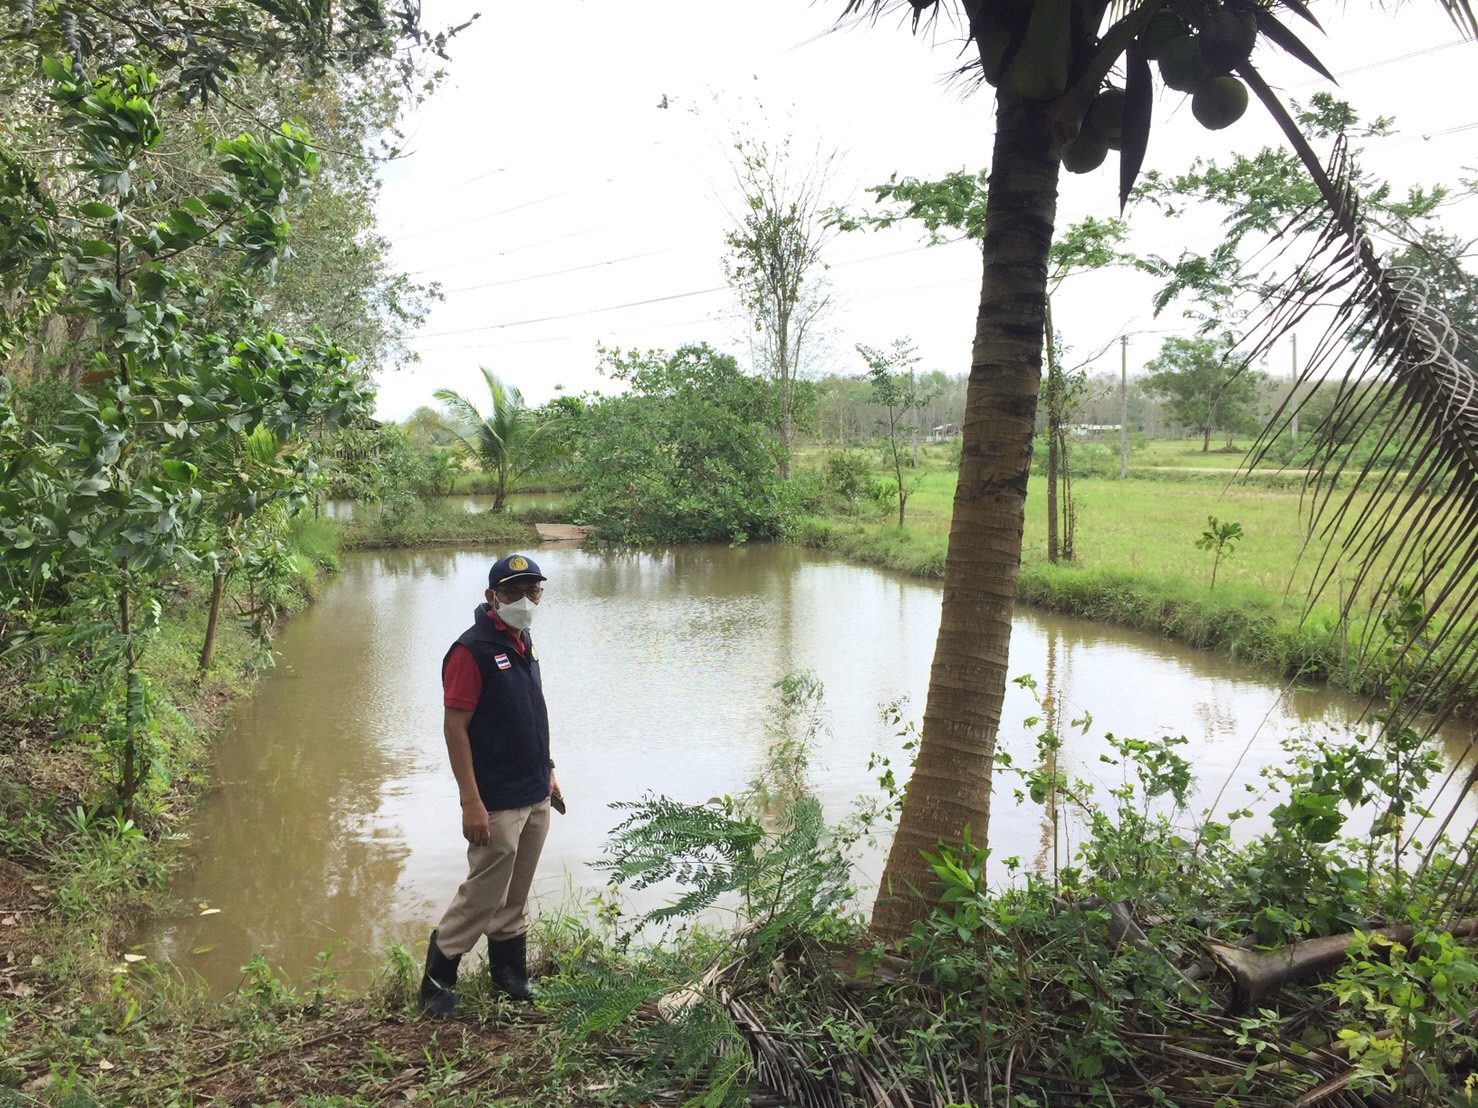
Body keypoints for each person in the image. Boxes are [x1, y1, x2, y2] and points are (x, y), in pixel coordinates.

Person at [419, 552, 562, 1016]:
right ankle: (436, 985)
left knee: (515, 895)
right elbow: (454, 729)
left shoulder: (524, 641)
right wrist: (470, 803)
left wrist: (550, 771)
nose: (524, 599)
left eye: (532, 591)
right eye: (513, 591)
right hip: (496, 800)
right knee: (481, 895)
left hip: (535, 791)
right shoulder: (471, 650)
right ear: (491, 596)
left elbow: (531, 714)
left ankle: (509, 979)